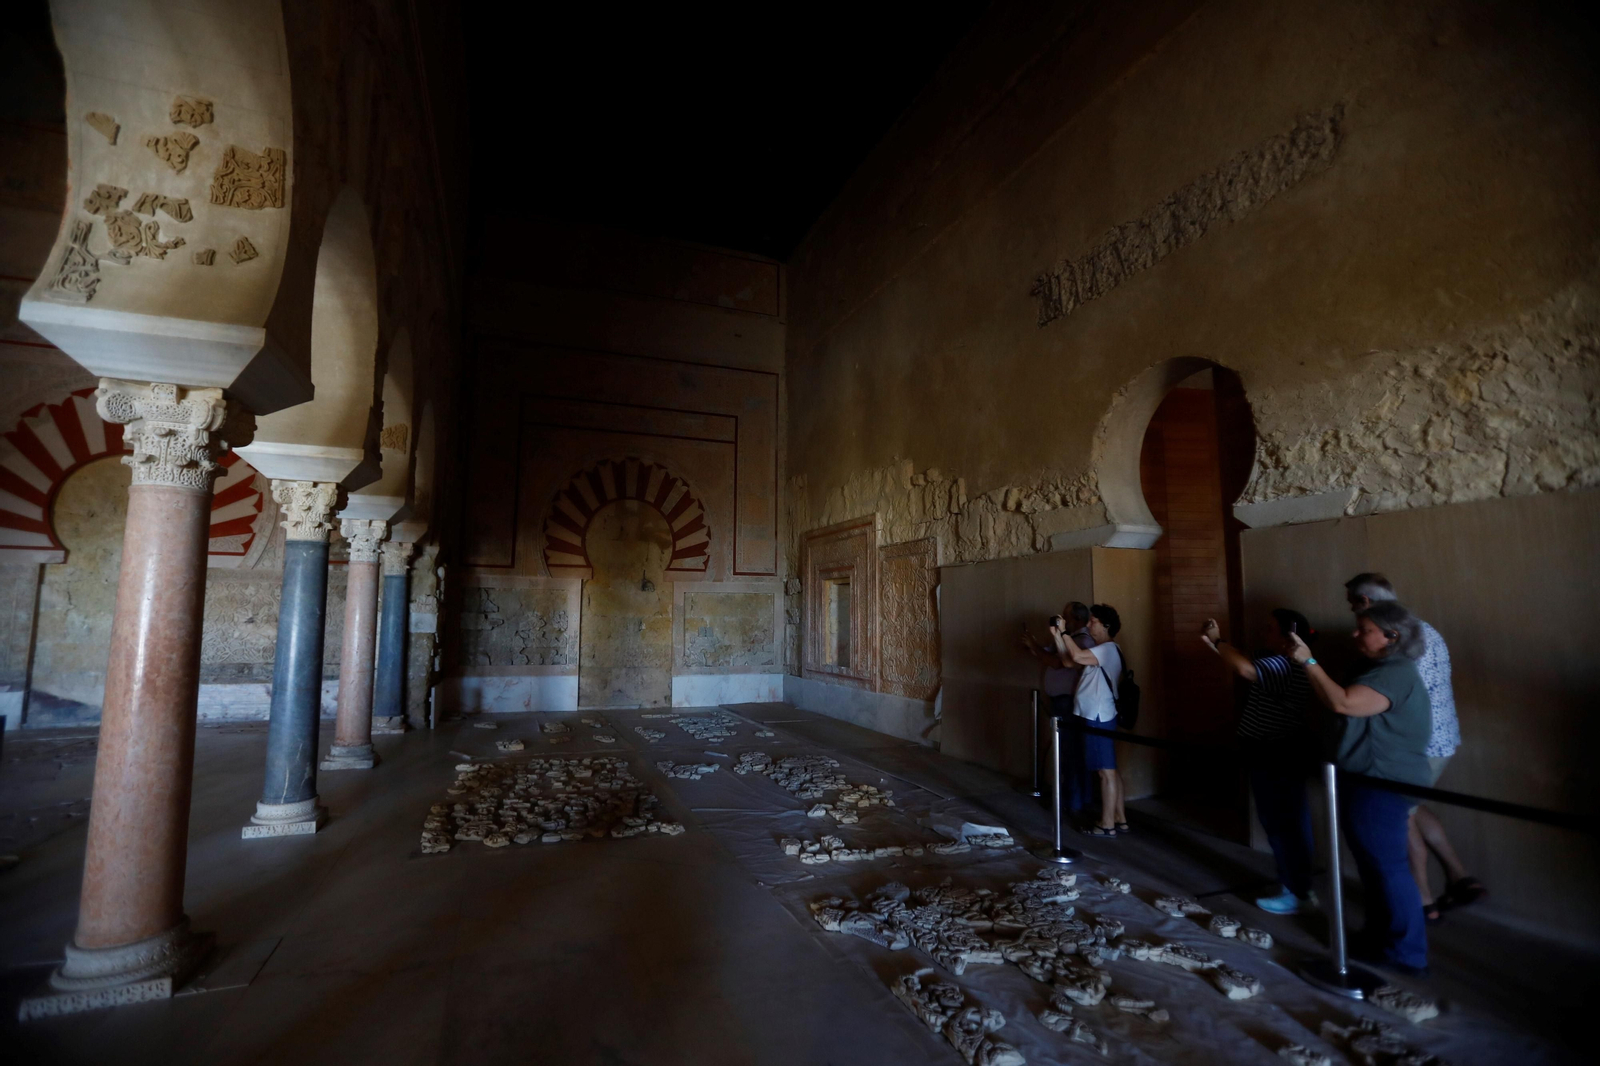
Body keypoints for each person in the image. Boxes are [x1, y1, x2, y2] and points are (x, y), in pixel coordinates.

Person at [1287, 601, 1432, 975]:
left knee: (1387, 868)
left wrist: (1309, 662)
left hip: (1382, 782)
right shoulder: (1377, 667)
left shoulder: (1396, 673)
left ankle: (1407, 952)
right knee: (1374, 868)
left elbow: (1345, 703)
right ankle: (1381, 939)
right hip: (1365, 779)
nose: (1355, 634)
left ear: (1391, 636)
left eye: (1363, 628)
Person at [1346, 573, 1485, 922]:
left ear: (1365, 603)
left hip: (1413, 745)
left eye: (1353, 606)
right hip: (1442, 738)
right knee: (1412, 808)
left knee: (1399, 818)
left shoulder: (1397, 642)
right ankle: (1459, 877)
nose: (1353, 623)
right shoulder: (1425, 629)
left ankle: (1423, 903)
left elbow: (1376, 699)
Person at [1201, 609, 1320, 914]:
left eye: (1269, 629)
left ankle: (1296, 891)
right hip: (1271, 749)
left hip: (1277, 750)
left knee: (1284, 822)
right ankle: (1296, 886)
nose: (1262, 633)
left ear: (1287, 637)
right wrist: (1219, 644)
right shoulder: (1274, 657)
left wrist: (1218, 641)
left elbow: (1245, 669)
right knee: (1284, 820)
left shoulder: (1284, 663)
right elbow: (1241, 659)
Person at [1051, 604, 1127, 837]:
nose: (1089, 624)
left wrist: (1064, 633)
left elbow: (1075, 655)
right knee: (1109, 769)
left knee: (1105, 772)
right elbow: (1068, 662)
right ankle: (1118, 818)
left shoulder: (1107, 649)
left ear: (1105, 626)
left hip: (1098, 716)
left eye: (1093, 621)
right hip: (1097, 714)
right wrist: (1058, 637)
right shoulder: (1103, 649)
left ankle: (1106, 825)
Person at [1021, 602, 1094, 812]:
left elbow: (1059, 662)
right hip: (1059, 701)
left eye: (1066, 617)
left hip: (1068, 701)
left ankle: (1075, 802)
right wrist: (1033, 644)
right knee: (1065, 752)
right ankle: (1070, 799)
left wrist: (1039, 646)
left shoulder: (1082, 640)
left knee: (1071, 752)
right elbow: (1049, 655)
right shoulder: (1066, 639)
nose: (1063, 620)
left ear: (1077, 620)